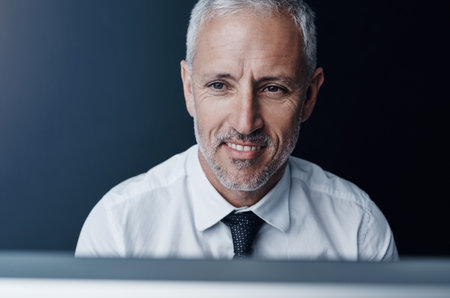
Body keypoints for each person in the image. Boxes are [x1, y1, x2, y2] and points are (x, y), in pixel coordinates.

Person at [75, 0, 398, 260]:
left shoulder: (357, 228)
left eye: (273, 88)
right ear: (189, 88)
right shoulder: (119, 227)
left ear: (310, 96)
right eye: (219, 85)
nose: (245, 123)